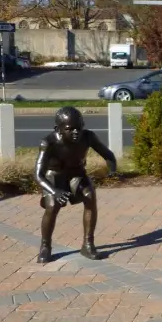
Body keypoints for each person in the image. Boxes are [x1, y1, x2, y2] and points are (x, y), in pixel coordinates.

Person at [34, 106, 117, 264]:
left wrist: (113, 171)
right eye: (69, 129)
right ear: (58, 129)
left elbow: (109, 155)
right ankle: (45, 246)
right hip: (54, 177)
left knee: (90, 196)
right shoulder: (48, 143)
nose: (75, 132)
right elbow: (38, 175)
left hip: (76, 174)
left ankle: (88, 244)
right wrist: (54, 191)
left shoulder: (88, 137)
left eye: (79, 127)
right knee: (52, 206)